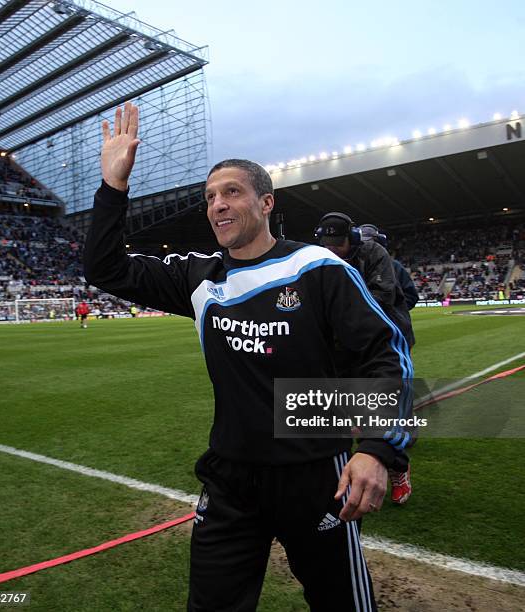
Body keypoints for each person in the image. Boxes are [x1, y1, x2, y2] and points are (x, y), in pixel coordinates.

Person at [84, 101, 412, 611]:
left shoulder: (316, 267)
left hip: (314, 474)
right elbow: (105, 268)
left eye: (231, 192)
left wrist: (374, 449)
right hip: (230, 479)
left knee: (342, 603)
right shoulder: (199, 277)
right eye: (210, 197)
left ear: (266, 203)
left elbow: (386, 356)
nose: (217, 204)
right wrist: (113, 188)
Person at [316, 214, 414, 505]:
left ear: (353, 239)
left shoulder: (374, 253)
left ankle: (398, 466)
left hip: (379, 340)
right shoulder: (319, 257)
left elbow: (381, 297)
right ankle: (347, 469)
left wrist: (336, 310)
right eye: (327, 244)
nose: (333, 250)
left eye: (339, 244)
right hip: (342, 345)